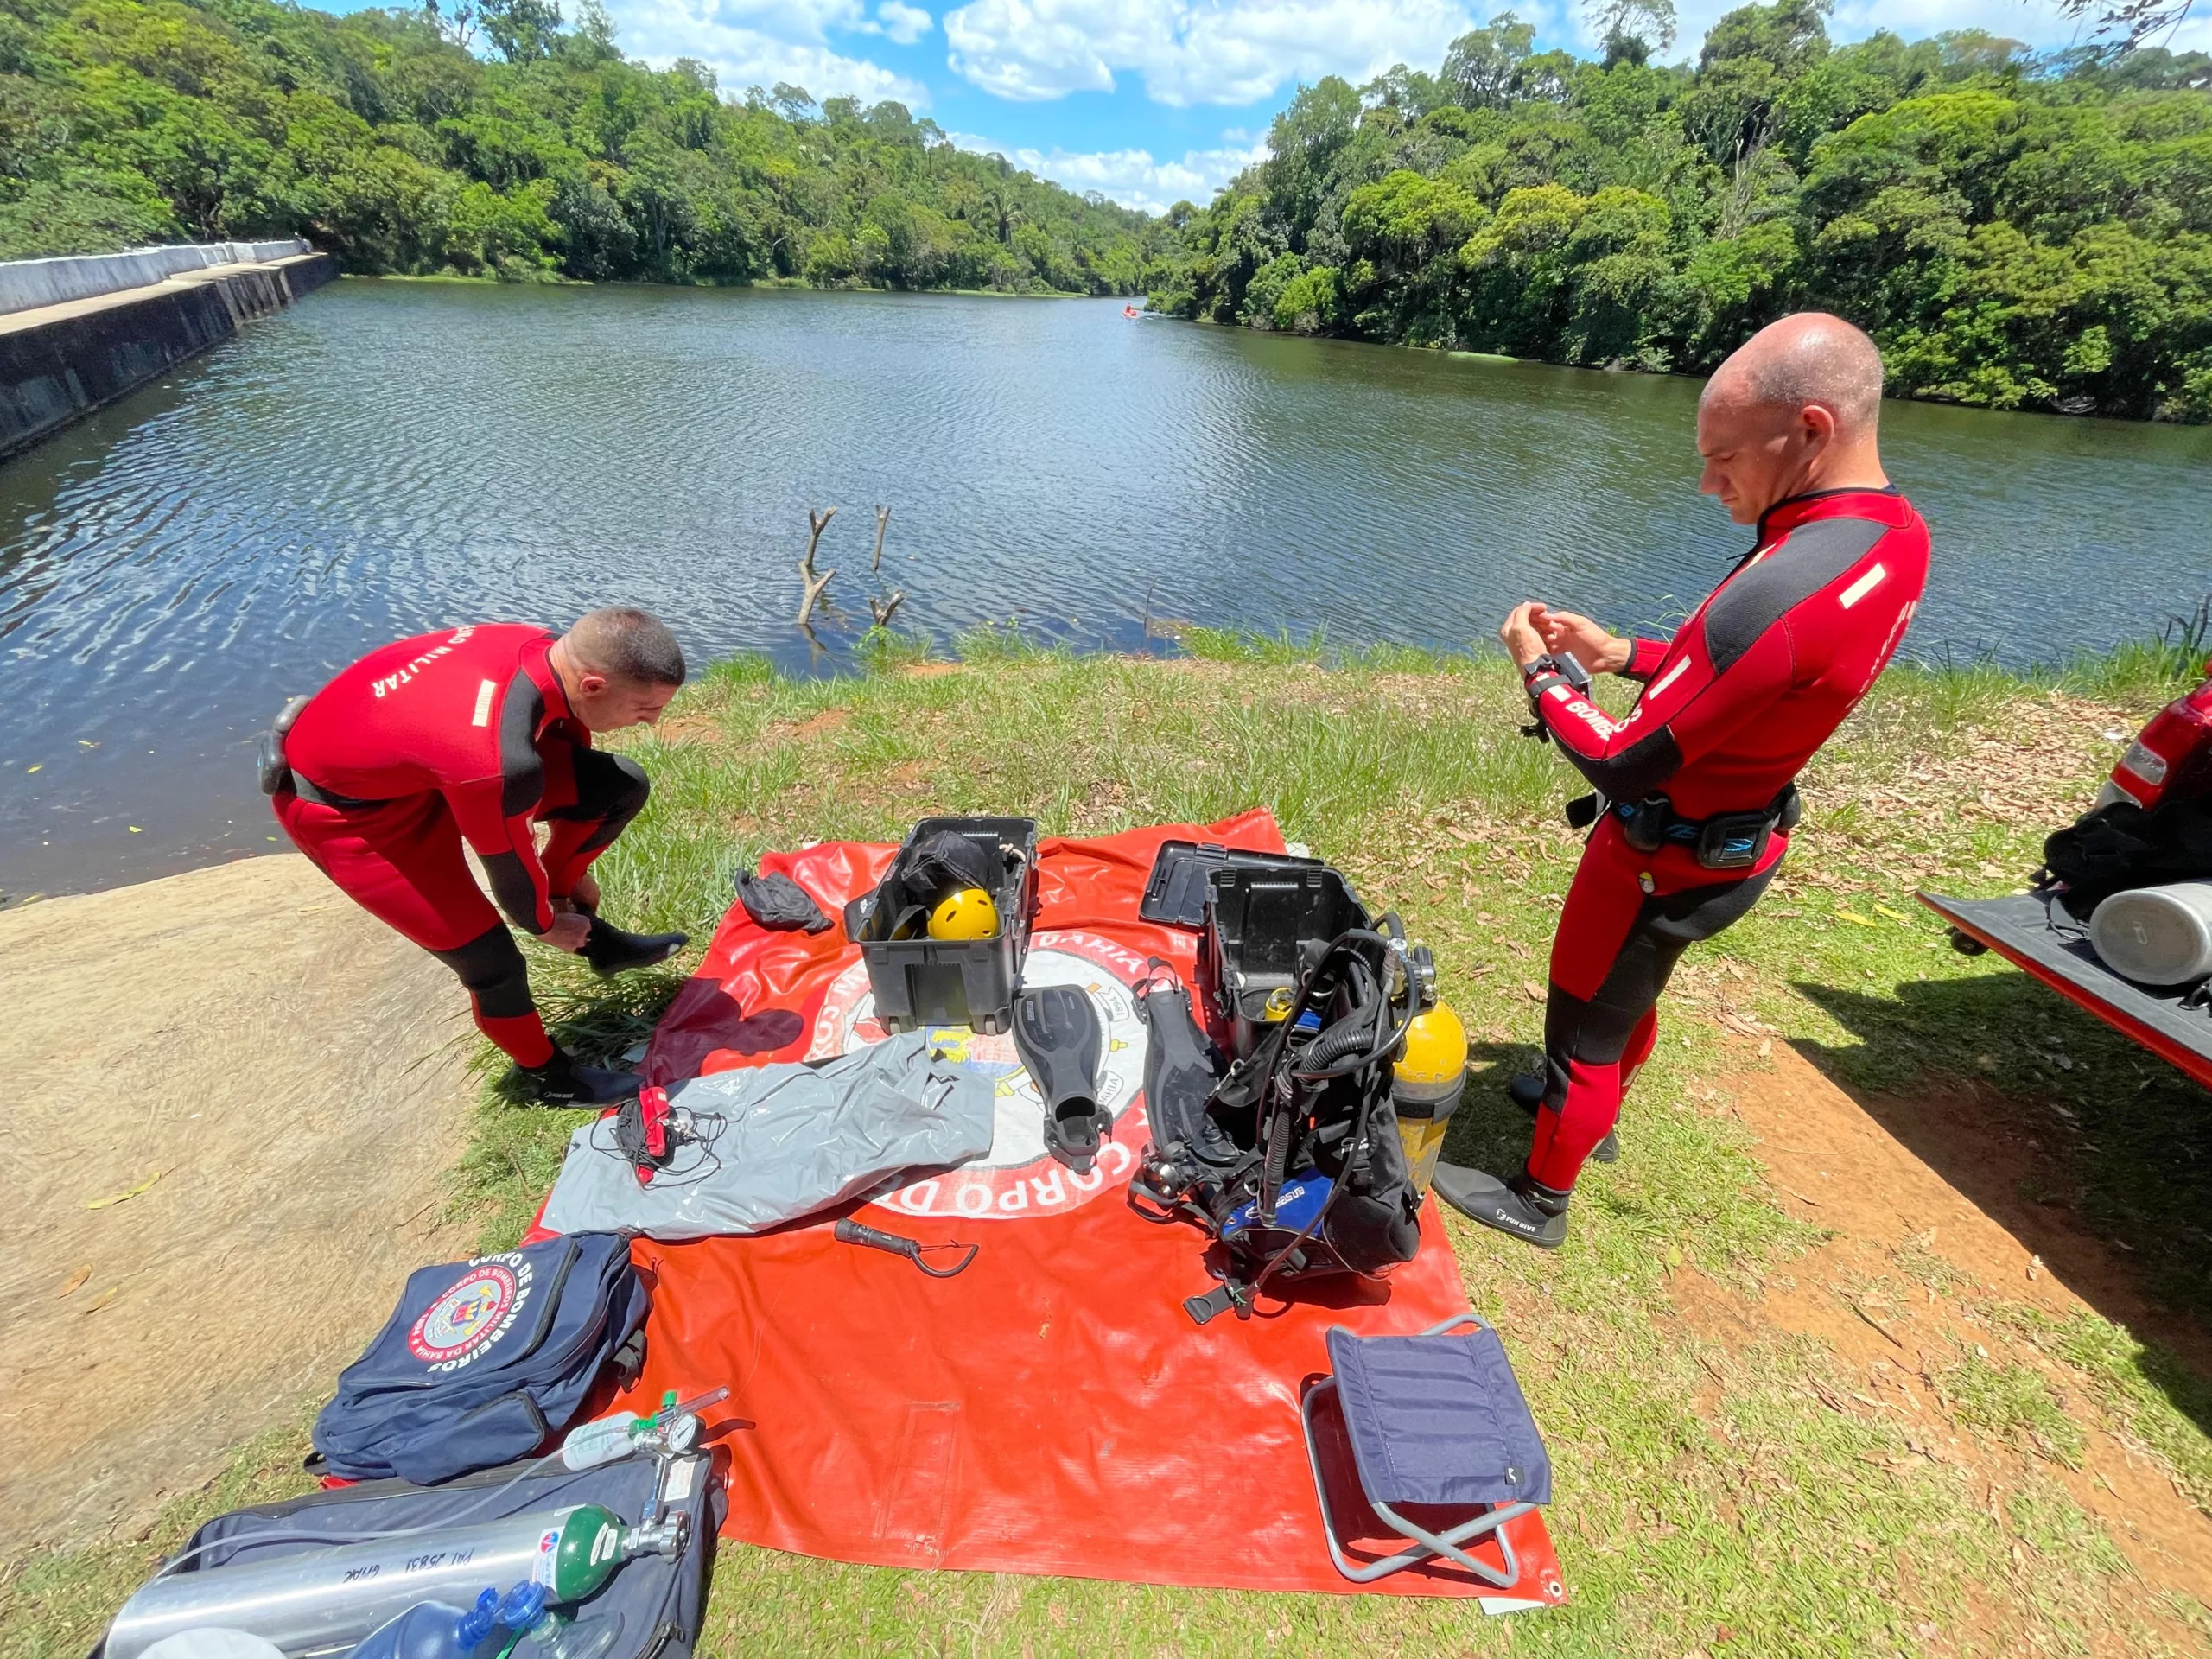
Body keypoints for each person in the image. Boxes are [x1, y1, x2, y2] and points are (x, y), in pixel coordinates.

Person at [1433, 313, 1930, 1249]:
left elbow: (1621, 762)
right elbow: (1769, 676)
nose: (1708, 483)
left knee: (1582, 1020)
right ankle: (1598, 1113)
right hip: (1738, 843)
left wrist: (1538, 670)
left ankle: (1539, 1197)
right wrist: (1624, 652)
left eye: (1725, 458)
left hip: (1660, 852)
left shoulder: (1779, 587)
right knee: (1635, 991)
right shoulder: (1891, 537)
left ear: (1811, 428)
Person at [271, 608, 691, 1104]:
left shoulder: (547, 651)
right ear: (594, 685)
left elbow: (565, 745)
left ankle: (600, 945)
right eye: (644, 709)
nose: (651, 722)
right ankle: (550, 1079)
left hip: (420, 762)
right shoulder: (495, 763)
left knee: (616, 786)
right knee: (490, 961)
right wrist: (544, 923)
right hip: (349, 816)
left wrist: (566, 883)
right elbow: (510, 871)